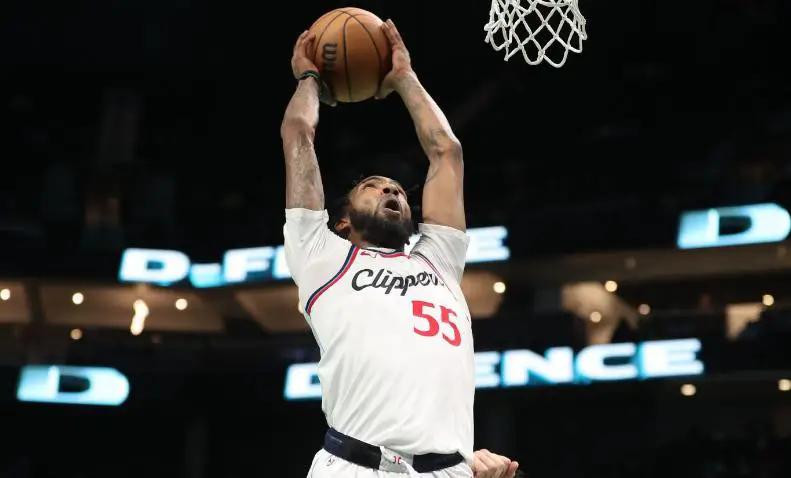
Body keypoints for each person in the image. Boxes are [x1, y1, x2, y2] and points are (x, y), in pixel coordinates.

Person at [282, 19, 520, 478]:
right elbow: (298, 134)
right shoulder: (321, 256)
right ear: (343, 221)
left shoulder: (439, 258)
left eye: (396, 189)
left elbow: (446, 152)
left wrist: (404, 78)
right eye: (373, 186)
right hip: (354, 466)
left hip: (449, 470)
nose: (390, 190)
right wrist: (309, 77)